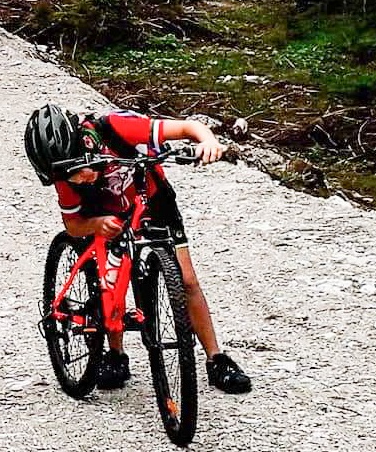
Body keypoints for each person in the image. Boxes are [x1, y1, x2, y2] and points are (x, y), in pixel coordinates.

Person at [24, 104, 252, 394]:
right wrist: (95, 224)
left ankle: (216, 358)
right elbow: (72, 225)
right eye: (70, 177)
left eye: (79, 170)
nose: (79, 179)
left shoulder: (116, 127)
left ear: (85, 145)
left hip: (154, 201)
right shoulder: (63, 175)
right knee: (109, 283)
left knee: (187, 280)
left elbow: (185, 127)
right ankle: (115, 354)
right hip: (104, 215)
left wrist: (207, 140)